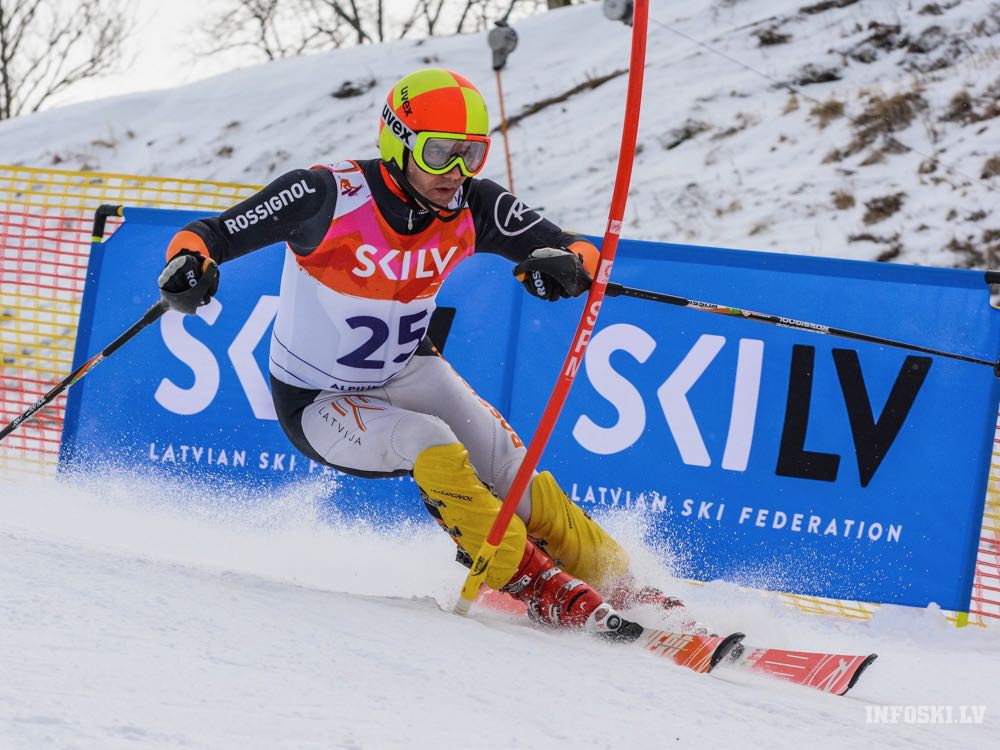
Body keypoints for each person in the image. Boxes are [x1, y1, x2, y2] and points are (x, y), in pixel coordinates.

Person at [157, 68, 685, 638]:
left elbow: (575, 247)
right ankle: (533, 581)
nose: (456, 171)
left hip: (410, 368)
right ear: (398, 142)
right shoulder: (324, 195)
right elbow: (210, 234)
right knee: (430, 442)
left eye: (471, 153)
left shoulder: (474, 203)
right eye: (439, 153)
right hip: (318, 399)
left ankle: (622, 582)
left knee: (512, 468)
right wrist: (188, 265)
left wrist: (568, 266)